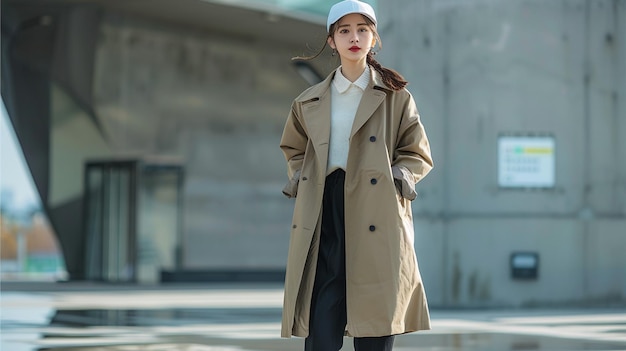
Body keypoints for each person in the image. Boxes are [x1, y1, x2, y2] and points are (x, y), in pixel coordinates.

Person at [279, 1, 434, 350]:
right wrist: (303, 177)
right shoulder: (308, 101)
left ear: (374, 38)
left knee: (375, 318)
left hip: (375, 206)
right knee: (321, 316)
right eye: (344, 30)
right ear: (331, 41)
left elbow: (416, 151)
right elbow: (294, 149)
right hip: (324, 205)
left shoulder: (396, 96)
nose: (354, 37)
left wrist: (397, 178)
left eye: (362, 29)